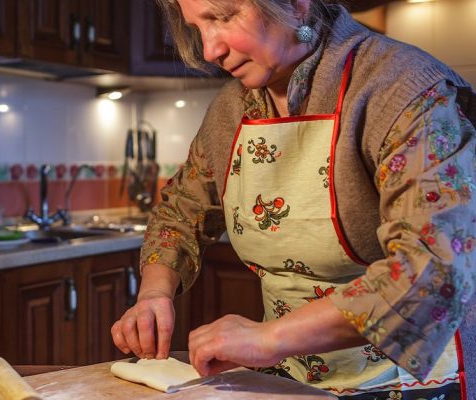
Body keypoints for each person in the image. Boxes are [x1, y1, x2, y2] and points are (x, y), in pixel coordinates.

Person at [111, 0, 476, 398]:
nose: (210, 50)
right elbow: (179, 213)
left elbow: (431, 270)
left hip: (411, 382)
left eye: (224, 17)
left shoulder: (402, 89)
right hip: (291, 381)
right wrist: (153, 295)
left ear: (296, 6)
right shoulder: (230, 110)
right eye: (198, 28)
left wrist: (267, 339)